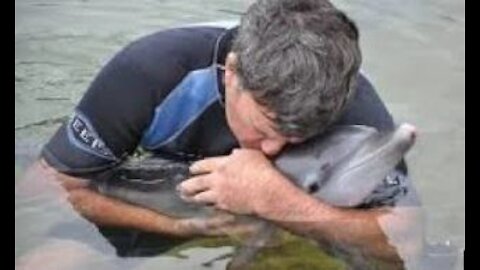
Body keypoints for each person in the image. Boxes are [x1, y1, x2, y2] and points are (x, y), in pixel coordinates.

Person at [31, 0, 424, 267]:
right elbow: (46, 189)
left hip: (266, 223)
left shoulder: (348, 107)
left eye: (301, 134)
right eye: (266, 127)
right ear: (231, 73)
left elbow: (405, 244)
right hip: (150, 205)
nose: (272, 148)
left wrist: (276, 202)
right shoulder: (151, 71)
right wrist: (184, 227)